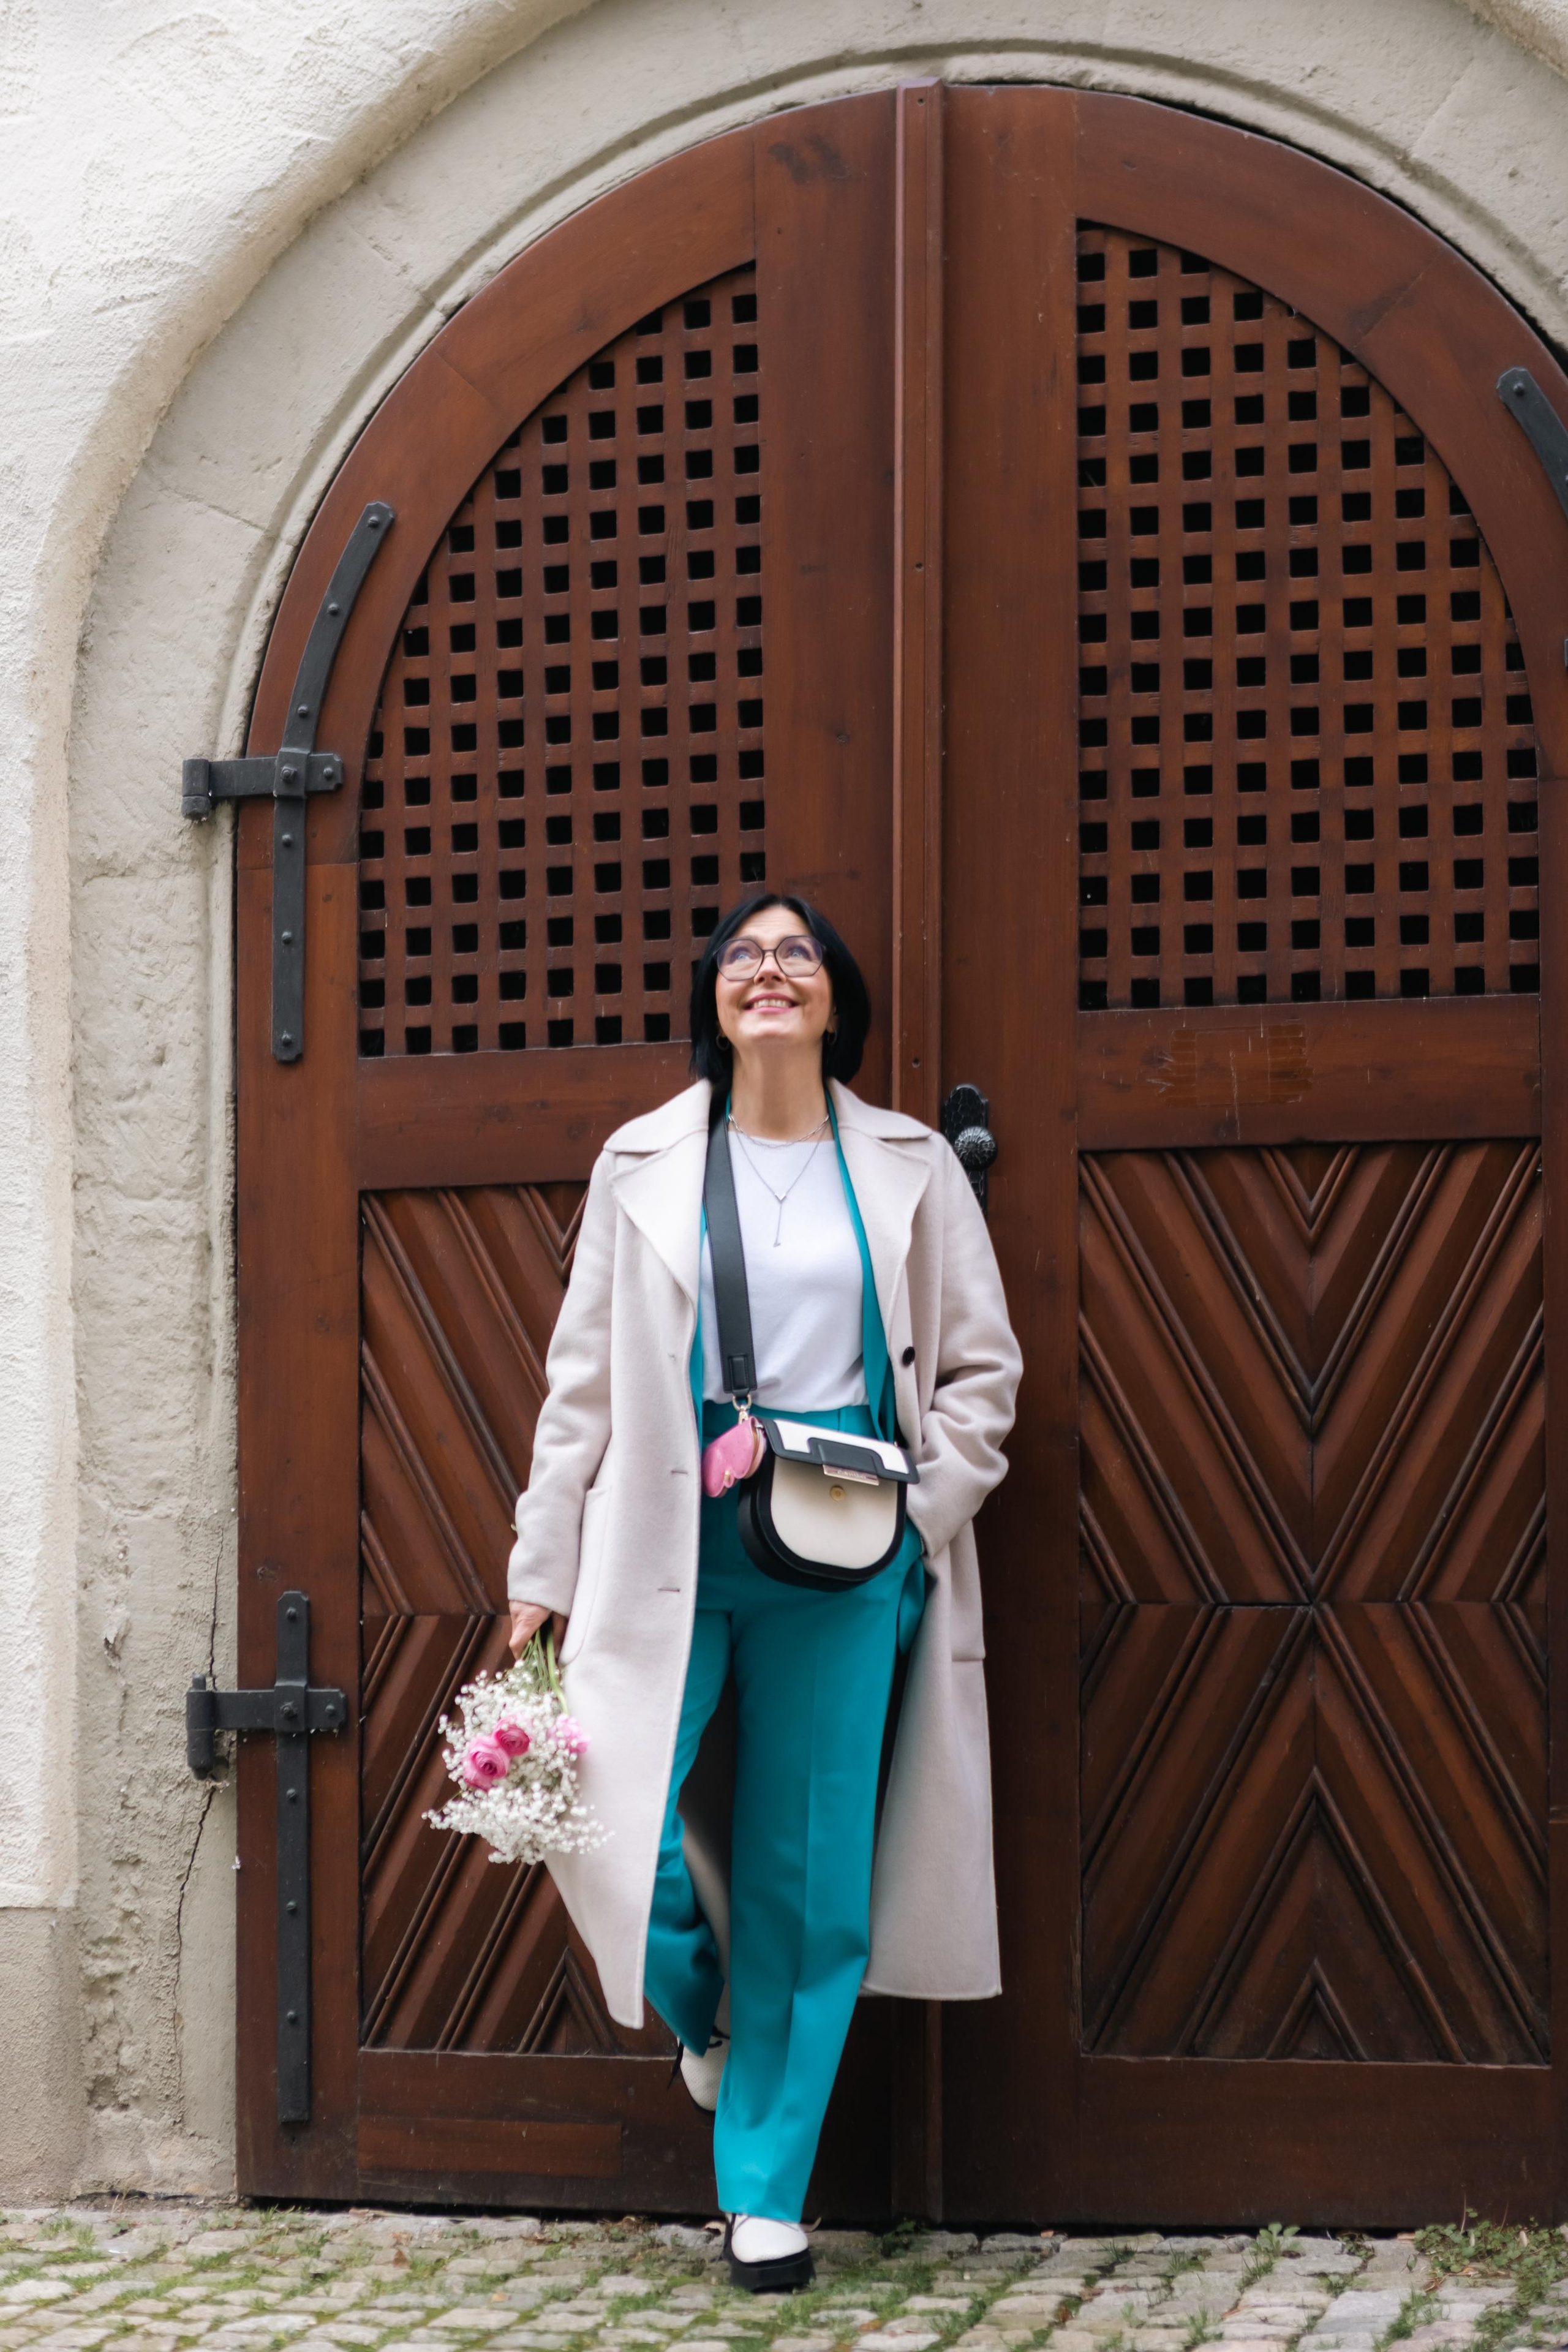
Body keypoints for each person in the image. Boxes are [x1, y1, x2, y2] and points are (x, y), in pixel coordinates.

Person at [507, 892, 1020, 2290]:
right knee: (610, 1821)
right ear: (716, 1000)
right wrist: (536, 1573)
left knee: (808, 1875)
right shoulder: (644, 1162)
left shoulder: (912, 1167)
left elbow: (982, 1375)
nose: (769, 972)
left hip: (848, 1556)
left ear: (834, 1002)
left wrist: (920, 1521)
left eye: (796, 954)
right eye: (744, 955)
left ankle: (764, 2194)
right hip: (666, 1554)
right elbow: (578, 1390)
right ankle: (706, 2018)